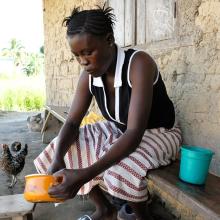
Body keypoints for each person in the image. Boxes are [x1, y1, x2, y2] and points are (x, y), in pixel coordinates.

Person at [34, 5, 182, 220]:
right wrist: (58, 158)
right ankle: (105, 210)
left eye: (88, 52)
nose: (83, 61)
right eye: (77, 56)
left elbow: (134, 134)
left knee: (120, 170)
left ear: (109, 39)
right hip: (119, 129)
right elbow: (73, 123)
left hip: (159, 133)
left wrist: (83, 176)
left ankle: (143, 216)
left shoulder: (139, 64)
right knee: (61, 147)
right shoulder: (89, 75)